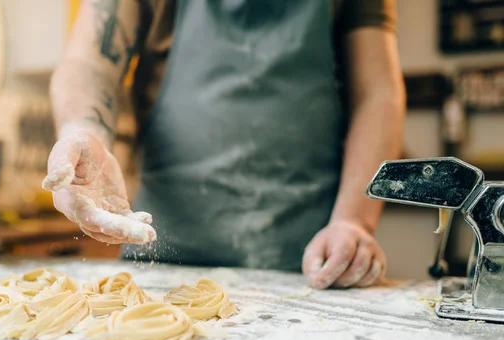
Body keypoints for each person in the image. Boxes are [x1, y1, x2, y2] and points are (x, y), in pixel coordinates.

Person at [43, 0, 405, 290]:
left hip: (313, 261)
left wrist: (354, 220)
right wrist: (83, 130)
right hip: (164, 263)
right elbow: (91, 61)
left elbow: (378, 94)